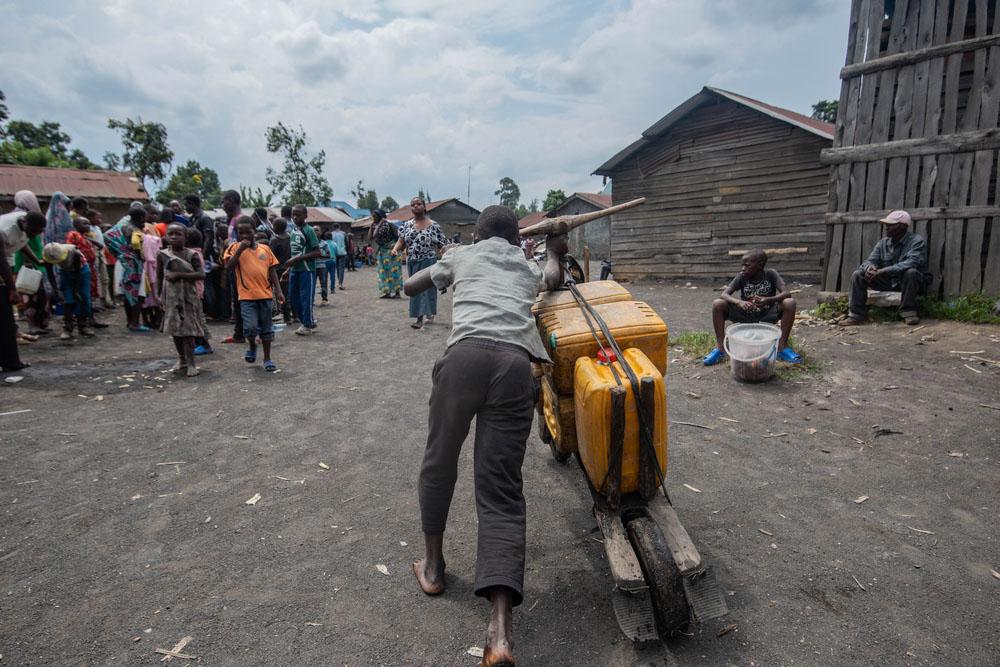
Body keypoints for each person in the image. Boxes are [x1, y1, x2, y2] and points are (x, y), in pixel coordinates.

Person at [404, 205, 566, 667]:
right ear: (517, 238)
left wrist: (443, 265)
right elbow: (553, 275)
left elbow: (410, 286)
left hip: (465, 359)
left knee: (439, 462)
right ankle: (499, 632)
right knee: (500, 489)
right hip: (516, 367)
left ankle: (433, 568)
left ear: (477, 235)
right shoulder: (526, 262)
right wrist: (555, 248)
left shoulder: (461, 255)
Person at [703, 249, 801, 365]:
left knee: (790, 302)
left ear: (760, 265)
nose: (743, 268)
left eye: (747, 265)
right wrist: (739, 303)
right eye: (742, 265)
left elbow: (786, 293)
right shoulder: (741, 276)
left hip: (767, 314)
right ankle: (720, 349)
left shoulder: (770, 274)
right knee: (718, 304)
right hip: (745, 314)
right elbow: (724, 294)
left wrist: (768, 300)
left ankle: (781, 348)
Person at [840, 210, 932, 326]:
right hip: (889, 282)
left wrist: (881, 271)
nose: (886, 227)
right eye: (886, 225)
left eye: (891, 225)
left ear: (903, 226)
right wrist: (870, 268)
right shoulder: (883, 243)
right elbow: (869, 260)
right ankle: (856, 315)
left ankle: (909, 312)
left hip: (910, 283)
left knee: (911, 272)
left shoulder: (916, 241)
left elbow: (911, 263)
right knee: (858, 274)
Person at [223, 217, 283, 371]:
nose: (244, 236)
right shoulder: (233, 248)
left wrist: (278, 291)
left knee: (267, 329)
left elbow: (272, 270)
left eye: (247, 232)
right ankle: (252, 346)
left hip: (265, 295)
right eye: (240, 232)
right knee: (249, 328)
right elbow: (229, 266)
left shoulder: (265, 249)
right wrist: (240, 249)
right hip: (246, 297)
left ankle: (267, 358)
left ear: (254, 231)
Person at [155, 223, 207, 376]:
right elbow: (159, 276)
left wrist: (179, 275)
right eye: (170, 234)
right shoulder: (162, 254)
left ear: (186, 237)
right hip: (171, 296)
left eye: (178, 234)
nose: (173, 237)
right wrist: (159, 296)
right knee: (175, 330)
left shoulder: (191, 255)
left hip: (188, 297)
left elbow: (201, 275)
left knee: (188, 331)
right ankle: (182, 359)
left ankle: (191, 363)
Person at [1, 210, 49, 371]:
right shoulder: (4, 230)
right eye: (34, 231)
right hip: (2, 265)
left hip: (5, 262)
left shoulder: (25, 224)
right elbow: (1, 262)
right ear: (25, 223)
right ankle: (10, 362)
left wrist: (36, 260)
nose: (35, 235)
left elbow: (22, 242)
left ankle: (9, 361)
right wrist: (12, 289)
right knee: (5, 320)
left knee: (6, 321)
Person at [393, 197, 448, 328]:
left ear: (424, 207)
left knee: (428, 290)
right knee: (415, 288)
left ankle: (420, 319)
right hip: (412, 261)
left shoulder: (434, 226)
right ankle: (421, 314)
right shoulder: (406, 225)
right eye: (413, 205)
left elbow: (443, 245)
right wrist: (395, 249)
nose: (415, 206)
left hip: (429, 261)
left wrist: (446, 258)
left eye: (418, 204)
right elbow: (401, 241)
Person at [104, 205, 151, 331]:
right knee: (138, 294)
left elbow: (107, 236)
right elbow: (136, 244)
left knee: (128, 293)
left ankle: (130, 321)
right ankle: (135, 324)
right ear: (141, 217)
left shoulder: (121, 226)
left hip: (122, 262)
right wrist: (139, 254)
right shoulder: (133, 229)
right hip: (133, 264)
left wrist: (118, 252)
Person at [42, 241, 95, 340]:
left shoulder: (74, 252)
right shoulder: (48, 255)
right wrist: (56, 290)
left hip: (82, 271)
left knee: (84, 298)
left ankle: (83, 325)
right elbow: (50, 274)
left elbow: (78, 273)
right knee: (67, 300)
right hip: (65, 273)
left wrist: (75, 291)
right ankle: (68, 328)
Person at [282, 204, 322, 335]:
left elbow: (317, 252)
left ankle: (307, 324)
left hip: (307, 270)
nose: (295, 217)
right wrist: (288, 269)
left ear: (305, 216)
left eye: (298, 214)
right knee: (293, 297)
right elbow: (295, 252)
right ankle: (306, 320)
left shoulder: (309, 230)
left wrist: (297, 260)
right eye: (293, 214)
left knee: (306, 297)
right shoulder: (293, 231)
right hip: (295, 270)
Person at [65, 216, 108, 330]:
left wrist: (91, 240)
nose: (88, 226)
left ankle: (90, 319)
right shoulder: (73, 235)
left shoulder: (85, 237)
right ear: (76, 225)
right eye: (85, 223)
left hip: (89, 269)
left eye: (88, 223)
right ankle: (80, 321)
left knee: (89, 295)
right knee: (82, 295)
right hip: (79, 269)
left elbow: (100, 245)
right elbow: (71, 250)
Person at [220, 190, 246, 344]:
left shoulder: (240, 220)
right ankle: (239, 333)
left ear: (232, 201)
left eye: (224, 201)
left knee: (242, 300)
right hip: (233, 265)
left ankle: (246, 333)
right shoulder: (233, 220)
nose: (222, 205)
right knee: (236, 300)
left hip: (240, 266)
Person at [185, 227, 213, 356]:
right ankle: (199, 342)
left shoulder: (192, 254)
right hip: (194, 291)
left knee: (197, 319)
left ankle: (204, 344)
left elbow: (197, 274)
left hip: (194, 291)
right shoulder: (196, 252)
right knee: (195, 318)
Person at [368, 209, 402, 299]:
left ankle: (397, 292)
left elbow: (375, 235)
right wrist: (372, 226)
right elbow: (370, 237)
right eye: (373, 216)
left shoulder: (385, 225)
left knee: (393, 271)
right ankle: (386, 292)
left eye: (375, 216)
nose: (373, 218)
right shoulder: (376, 225)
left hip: (391, 250)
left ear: (380, 216)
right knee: (382, 271)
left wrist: (377, 225)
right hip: (382, 250)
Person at [269, 217, 293, 324]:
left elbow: (269, 255)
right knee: (289, 293)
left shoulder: (275, 240)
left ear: (276, 227)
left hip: (278, 270)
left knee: (281, 294)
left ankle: (287, 317)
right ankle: (294, 315)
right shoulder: (290, 237)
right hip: (290, 268)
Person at [184, 194, 216, 258]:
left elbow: (208, 239)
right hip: (194, 254)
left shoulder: (205, 218)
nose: (185, 208)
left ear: (192, 204)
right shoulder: (192, 219)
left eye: (186, 205)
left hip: (203, 255)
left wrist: (203, 256)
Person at [330, 223, 349, 289]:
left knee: (336, 268)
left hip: (334, 253)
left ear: (333, 227)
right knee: (341, 268)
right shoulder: (343, 233)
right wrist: (347, 251)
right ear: (339, 227)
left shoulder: (331, 234)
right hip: (342, 252)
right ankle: (340, 283)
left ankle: (336, 282)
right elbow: (347, 243)